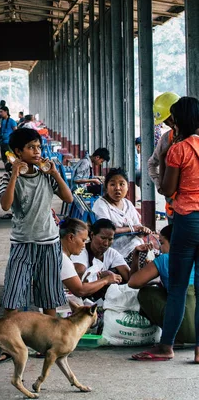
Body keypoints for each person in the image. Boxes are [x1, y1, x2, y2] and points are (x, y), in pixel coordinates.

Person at [136, 96, 199, 362]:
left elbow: (167, 189)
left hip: (187, 221)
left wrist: (162, 158)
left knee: (178, 287)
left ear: (179, 120)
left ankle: (166, 346)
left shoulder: (178, 149)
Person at [0, 127, 73, 318]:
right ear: (18, 152)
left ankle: (48, 343)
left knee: (49, 297)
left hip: (49, 241)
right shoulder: (9, 178)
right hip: (22, 242)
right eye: (31, 147)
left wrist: (55, 174)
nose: (37, 151)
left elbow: (68, 198)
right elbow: (5, 205)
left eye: (38, 147)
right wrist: (14, 174)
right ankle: (10, 340)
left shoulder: (46, 176)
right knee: (13, 295)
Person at [128, 225, 195, 351]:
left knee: (146, 293)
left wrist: (136, 254)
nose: (160, 248)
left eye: (162, 243)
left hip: (187, 330)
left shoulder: (166, 259)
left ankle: (175, 337)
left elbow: (133, 282)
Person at [92, 167, 151, 266]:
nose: (117, 188)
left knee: (157, 257)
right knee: (150, 263)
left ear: (127, 187)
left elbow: (137, 227)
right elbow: (105, 230)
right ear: (106, 187)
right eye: (112, 184)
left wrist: (142, 231)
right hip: (117, 251)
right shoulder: (101, 205)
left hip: (135, 245)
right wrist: (131, 229)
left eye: (122, 184)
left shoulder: (127, 204)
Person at [60, 218, 122, 299]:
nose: (84, 245)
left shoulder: (59, 253)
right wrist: (106, 280)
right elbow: (80, 290)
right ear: (71, 237)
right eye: (83, 240)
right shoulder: (64, 260)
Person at [71, 218, 130, 289]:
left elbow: (129, 277)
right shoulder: (80, 252)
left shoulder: (112, 253)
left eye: (110, 239)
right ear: (92, 235)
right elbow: (78, 281)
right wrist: (102, 278)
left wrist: (136, 254)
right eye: (103, 238)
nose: (106, 243)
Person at [148, 91, 180, 221]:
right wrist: (159, 185)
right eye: (167, 122)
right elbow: (152, 163)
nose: (170, 124)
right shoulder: (167, 138)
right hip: (174, 206)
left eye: (171, 120)